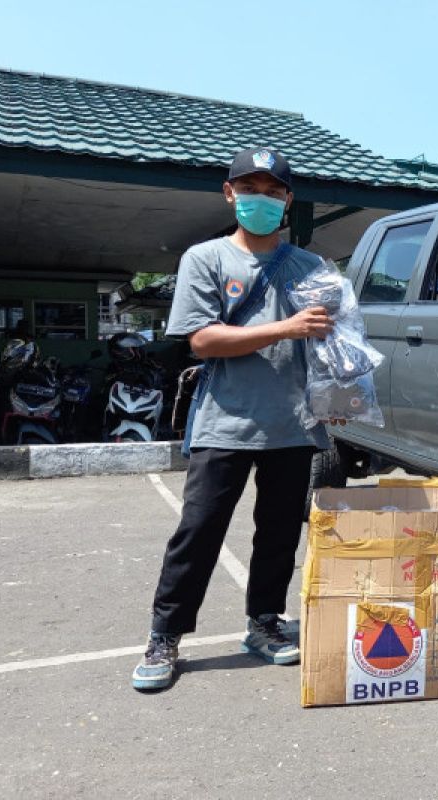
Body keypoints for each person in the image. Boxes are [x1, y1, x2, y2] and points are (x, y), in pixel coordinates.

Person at [132, 147, 337, 691]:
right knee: (198, 530)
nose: (261, 199)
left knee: (277, 535)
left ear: (288, 200)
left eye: (273, 191)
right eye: (250, 189)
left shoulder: (312, 268)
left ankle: (264, 622)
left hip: (293, 424)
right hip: (225, 422)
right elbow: (201, 339)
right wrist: (286, 329)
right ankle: (165, 634)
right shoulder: (206, 259)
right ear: (229, 194)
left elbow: (334, 342)